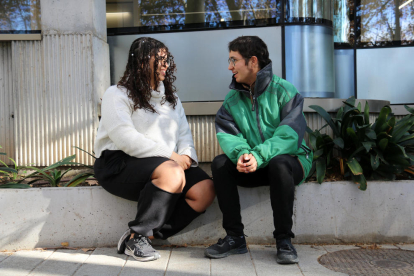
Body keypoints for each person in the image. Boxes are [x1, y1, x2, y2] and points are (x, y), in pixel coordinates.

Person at [94, 37, 215, 262]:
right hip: (118, 164)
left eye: (166, 60)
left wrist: (187, 155)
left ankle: (143, 235)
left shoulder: (171, 98)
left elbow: (183, 133)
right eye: (158, 60)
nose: (165, 65)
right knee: (172, 171)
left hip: (165, 164)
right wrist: (171, 156)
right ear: (141, 62)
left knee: (205, 189)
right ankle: (138, 234)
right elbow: (124, 137)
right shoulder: (117, 94)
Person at [204, 36, 312, 264]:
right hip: (253, 163)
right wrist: (243, 154)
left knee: (279, 162)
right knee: (220, 164)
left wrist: (258, 155)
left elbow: (289, 136)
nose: (229, 66)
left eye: (234, 60)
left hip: (291, 164)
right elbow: (228, 135)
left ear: (253, 62)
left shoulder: (284, 90)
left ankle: (284, 240)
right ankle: (235, 238)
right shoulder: (232, 100)